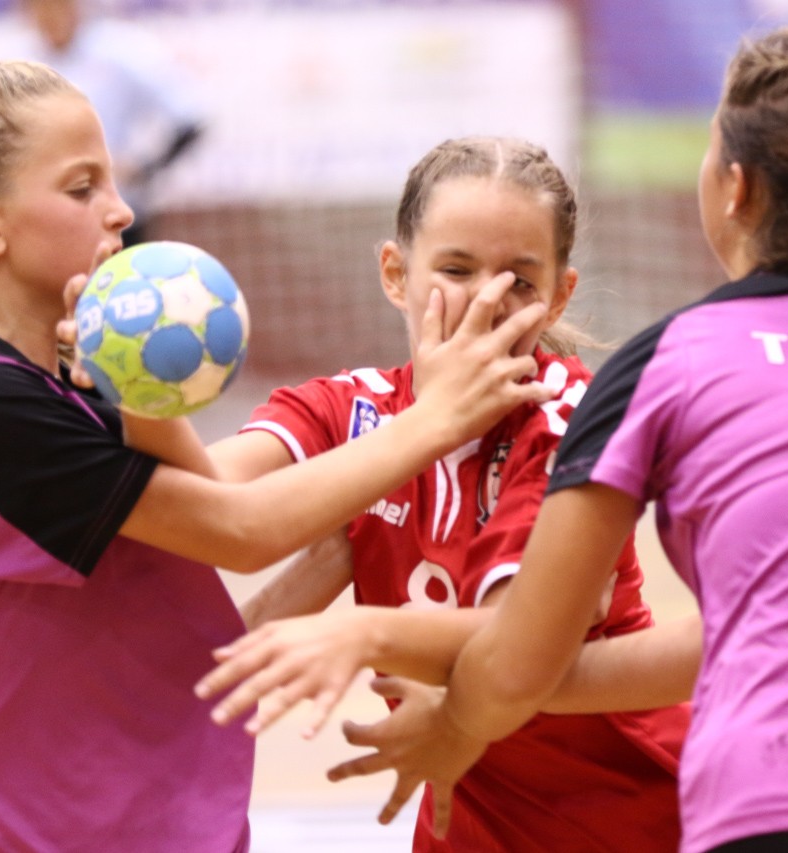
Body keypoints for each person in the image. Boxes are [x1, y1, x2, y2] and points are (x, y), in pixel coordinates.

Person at [321, 27, 788, 853]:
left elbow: (521, 656)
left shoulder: (677, 357)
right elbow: (740, 633)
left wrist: (435, 694)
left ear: (735, 187)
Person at [0, 61, 551, 851]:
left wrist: (354, 539)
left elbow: (177, 640)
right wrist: (433, 419)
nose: (121, 208)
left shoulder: (62, 392)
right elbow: (241, 528)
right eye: (82, 187)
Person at [193, 136, 695, 852]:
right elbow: (203, 500)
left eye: (520, 281)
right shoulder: (353, 407)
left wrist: (359, 632)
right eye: (456, 270)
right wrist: (134, 401)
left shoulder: (571, 416)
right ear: (396, 274)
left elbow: (512, 635)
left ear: (560, 294)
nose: (487, 301)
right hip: (467, 815)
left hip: (631, 815)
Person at [18, 0, 204, 246]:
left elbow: (189, 114)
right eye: (39, 7)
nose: (49, 15)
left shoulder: (120, 51)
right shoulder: (20, 63)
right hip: (48, 219)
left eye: (58, 5)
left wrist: (145, 167)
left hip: (115, 214)